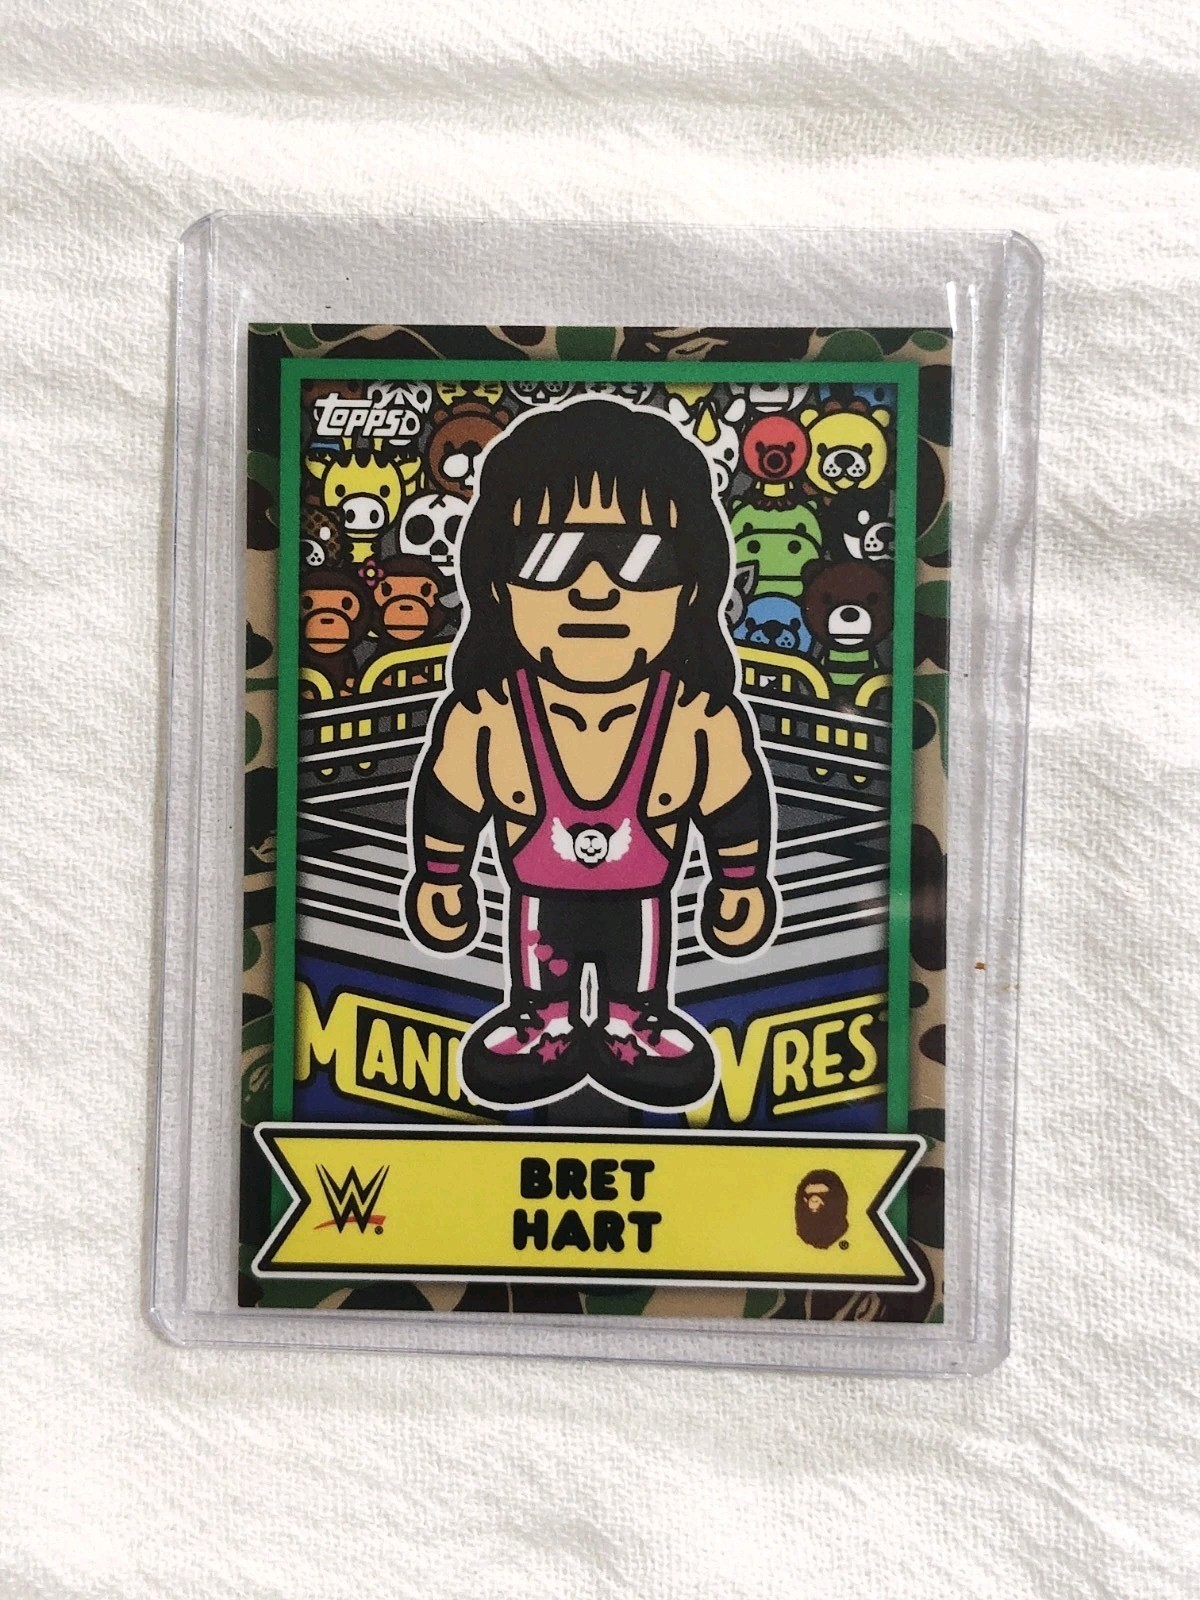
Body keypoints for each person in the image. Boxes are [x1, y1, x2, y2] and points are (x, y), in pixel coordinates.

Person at [404, 397, 777, 1111]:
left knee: (636, 977)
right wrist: (442, 877)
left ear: (692, 585)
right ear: (497, 582)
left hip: (642, 904)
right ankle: (541, 1017)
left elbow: (734, 806)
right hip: (539, 906)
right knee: (542, 972)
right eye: (550, 558)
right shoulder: (489, 718)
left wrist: (740, 883)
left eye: (640, 558)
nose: (596, 590)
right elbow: (450, 803)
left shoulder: (696, 721)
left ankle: (635, 1018)